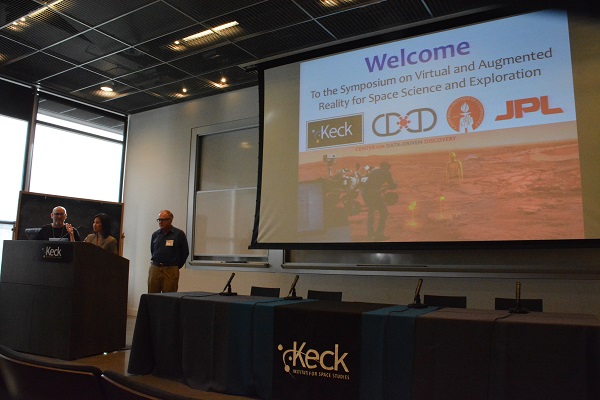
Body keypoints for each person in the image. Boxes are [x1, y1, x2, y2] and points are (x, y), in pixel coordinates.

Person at [148, 210, 189, 293]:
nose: (160, 222)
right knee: (152, 296)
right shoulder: (155, 234)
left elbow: (185, 252)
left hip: (171, 269)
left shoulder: (179, 234)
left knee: (169, 296)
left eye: (163, 220)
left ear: (170, 220)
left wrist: (176, 266)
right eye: (159, 220)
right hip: (155, 268)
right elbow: (153, 250)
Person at [361, 161, 397, 241]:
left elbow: (369, 184)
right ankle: (379, 235)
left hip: (365, 193)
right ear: (388, 167)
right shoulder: (387, 173)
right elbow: (391, 186)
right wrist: (395, 185)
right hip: (374, 193)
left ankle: (370, 233)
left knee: (371, 212)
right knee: (384, 212)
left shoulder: (375, 171)